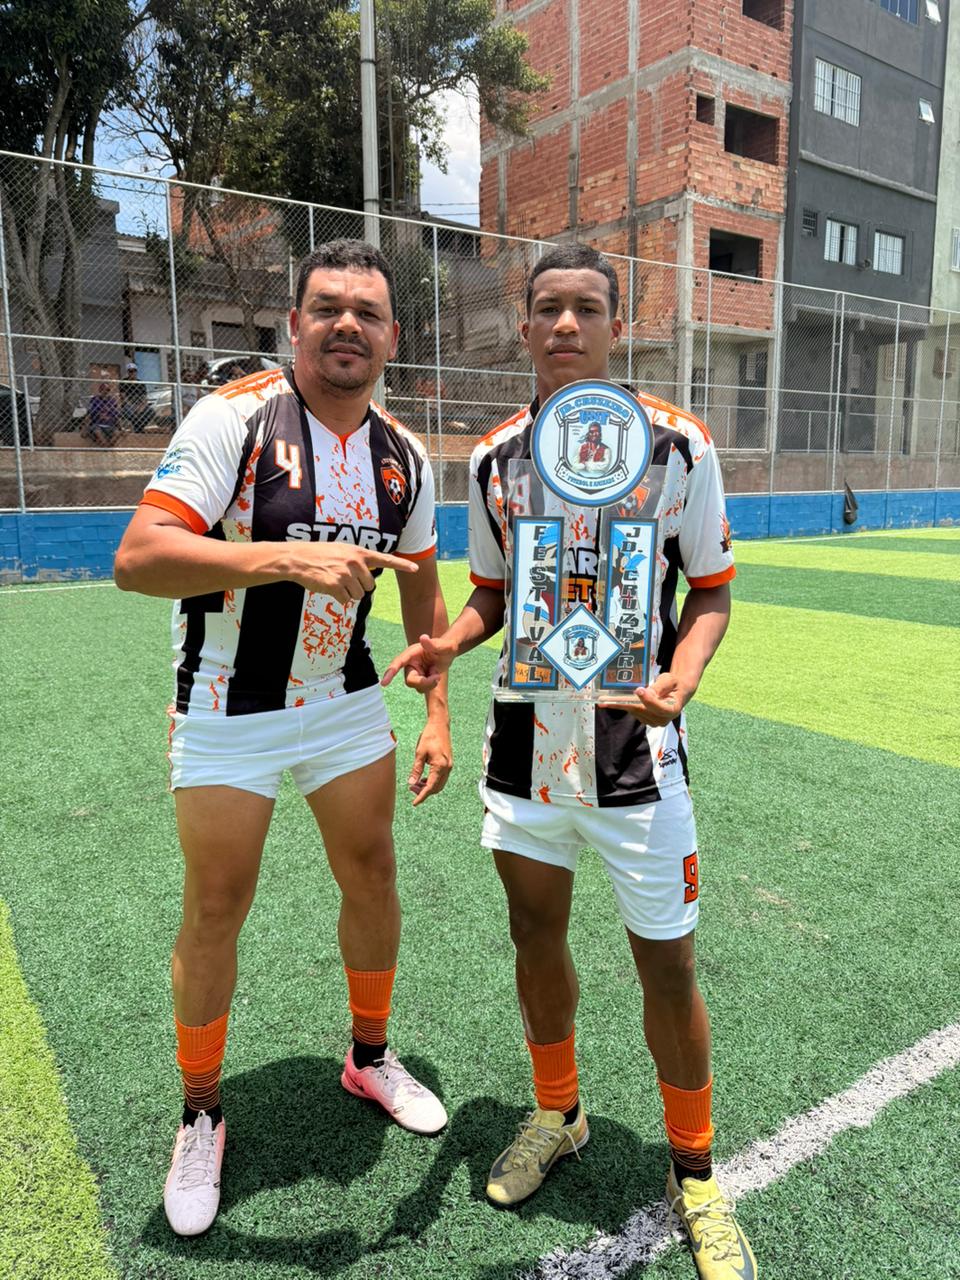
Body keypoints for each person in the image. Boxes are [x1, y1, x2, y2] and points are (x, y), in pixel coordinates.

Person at [383, 244, 754, 1280]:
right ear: (524, 324)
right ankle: (558, 1113)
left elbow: (712, 591)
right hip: (526, 757)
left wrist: (683, 676)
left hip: (640, 757)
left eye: (586, 309)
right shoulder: (494, 457)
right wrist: (450, 643)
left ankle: (695, 1173)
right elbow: (492, 594)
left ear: (617, 325)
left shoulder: (679, 447)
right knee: (534, 935)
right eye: (547, 308)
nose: (564, 326)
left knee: (667, 964)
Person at [114, 240, 453, 1238]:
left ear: (392, 335)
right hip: (229, 704)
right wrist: (282, 558)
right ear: (296, 324)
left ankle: (369, 1055)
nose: (348, 324)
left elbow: (422, 584)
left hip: (343, 700)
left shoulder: (406, 455)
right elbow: (139, 557)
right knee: (217, 904)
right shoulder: (234, 417)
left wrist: (436, 708)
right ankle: (201, 1111)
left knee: (373, 874)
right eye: (328, 307)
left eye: (368, 311)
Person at [120, 363, 152, 433]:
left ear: (136, 371)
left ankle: (138, 428)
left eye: (134, 371)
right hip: (129, 404)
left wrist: (141, 407)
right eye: (130, 371)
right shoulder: (123, 382)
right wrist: (133, 407)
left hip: (139, 404)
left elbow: (144, 398)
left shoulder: (141, 383)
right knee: (128, 410)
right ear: (128, 372)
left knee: (151, 411)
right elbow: (123, 397)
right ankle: (139, 428)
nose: (132, 373)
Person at [85, 380, 120, 445]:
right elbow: (91, 412)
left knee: (117, 433)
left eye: (108, 390)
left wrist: (109, 417)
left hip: (109, 424)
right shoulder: (95, 399)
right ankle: (104, 444)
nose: (106, 391)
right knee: (97, 431)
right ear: (100, 390)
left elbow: (115, 414)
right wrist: (99, 414)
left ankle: (109, 444)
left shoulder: (112, 401)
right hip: (97, 424)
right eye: (103, 389)